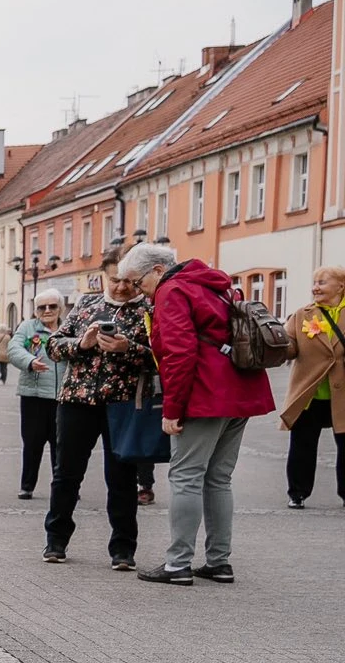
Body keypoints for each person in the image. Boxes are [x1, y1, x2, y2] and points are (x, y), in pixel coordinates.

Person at [128, 246, 274, 585]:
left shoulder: (172, 290)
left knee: (186, 477)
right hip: (240, 389)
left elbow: (179, 354)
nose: (139, 291)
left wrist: (172, 409)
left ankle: (178, 563)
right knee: (219, 479)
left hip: (205, 394)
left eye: (138, 283)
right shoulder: (214, 283)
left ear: (157, 270)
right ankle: (219, 561)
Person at [41, 261, 154, 568]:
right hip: (77, 400)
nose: (120, 287)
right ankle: (56, 541)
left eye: (128, 282)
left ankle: (123, 549)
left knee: (121, 478)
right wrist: (83, 343)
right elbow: (53, 346)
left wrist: (127, 348)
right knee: (66, 475)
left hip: (123, 403)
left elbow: (159, 355)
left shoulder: (148, 309)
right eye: (115, 280)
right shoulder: (87, 303)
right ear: (106, 276)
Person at [282, 266, 345, 509]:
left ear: (340, 286)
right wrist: (277, 345)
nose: (315, 287)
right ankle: (297, 493)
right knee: (302, 445)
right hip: (310, 393)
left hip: (342, 394)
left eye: (322, 282)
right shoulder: (302, 315)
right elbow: (289, 347)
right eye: (314, 282)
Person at [7, 291, 65, 499]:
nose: (47, 311)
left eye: (52, 306)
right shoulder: (28, 327)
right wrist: (29, 362)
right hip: (34, 394)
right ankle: (27, 485)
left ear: (60, 308)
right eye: (42, 307)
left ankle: (63, 486)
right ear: (35, 310)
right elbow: (14, 349)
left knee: (62, 444)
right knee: (32, 442)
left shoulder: (69, 328)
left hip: (63, 397)